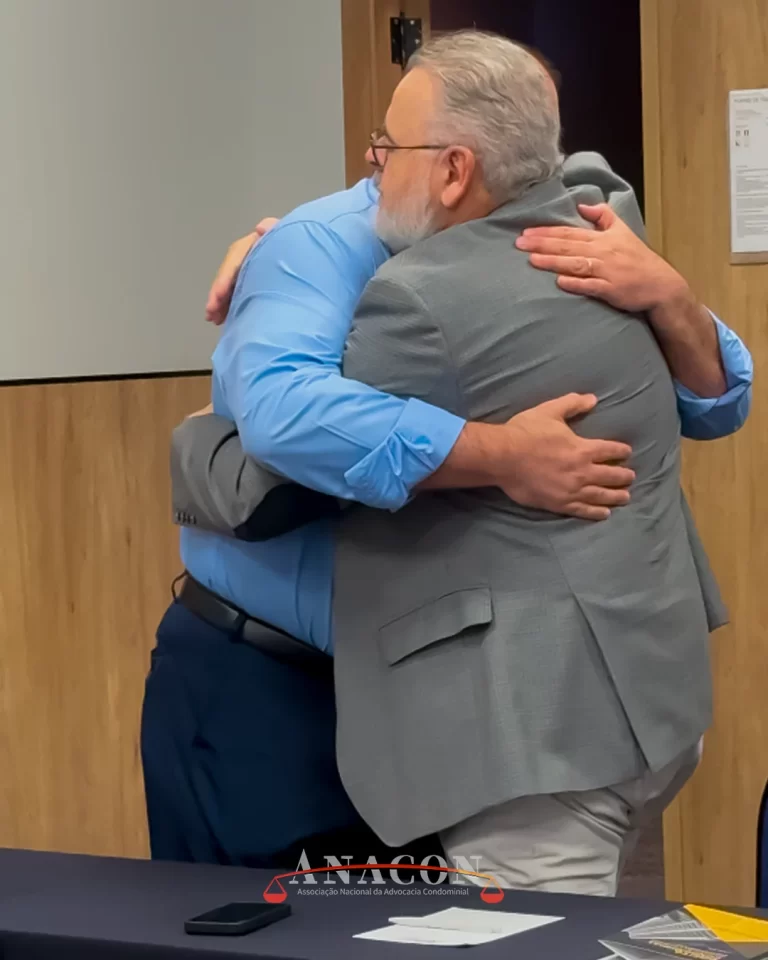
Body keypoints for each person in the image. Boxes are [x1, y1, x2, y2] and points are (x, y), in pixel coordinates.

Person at [146, 33, 752, 889]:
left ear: (460, 167)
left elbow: (719, 399)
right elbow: (286, 433)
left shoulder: (576, 235)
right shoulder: (327, 250)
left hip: (462, 702)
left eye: (388, 143)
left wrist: (672, 295)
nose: (373, 157)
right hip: (270, 687)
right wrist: (499, 453)